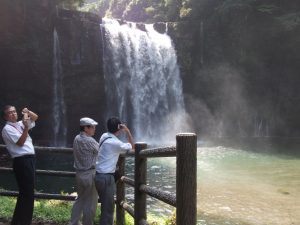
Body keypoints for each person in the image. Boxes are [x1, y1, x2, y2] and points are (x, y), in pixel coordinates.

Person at [1, 105, 38, 225]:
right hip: (22, 161)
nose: (13, 114)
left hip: (29, 160)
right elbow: (21, 143)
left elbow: (35, 117)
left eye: (14, 111)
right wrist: (26, 128)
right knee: (27, 193)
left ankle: (19, 221)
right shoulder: (7, 129)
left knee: (27, 192)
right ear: (5, 117)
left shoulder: (20, 123)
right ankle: (22, 221)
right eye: (10, 113)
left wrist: (27, 111)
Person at [95, 117, 134, 225]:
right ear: (119, 127)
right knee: (108, 210)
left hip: (98, 176)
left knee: (105, 207)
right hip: (106, 179)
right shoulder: (115, 143)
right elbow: (133, 147)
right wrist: (127, 131)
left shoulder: (104, 136)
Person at [69, 117, 99, 225]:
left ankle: (74, 222)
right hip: (90, 174)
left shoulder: (76, 138)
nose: (94, 129)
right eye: (92, 127)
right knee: (90, 203)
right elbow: (101, 152)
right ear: (86, 128)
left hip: (79, 174)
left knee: (80, 199)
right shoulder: (90, 141)